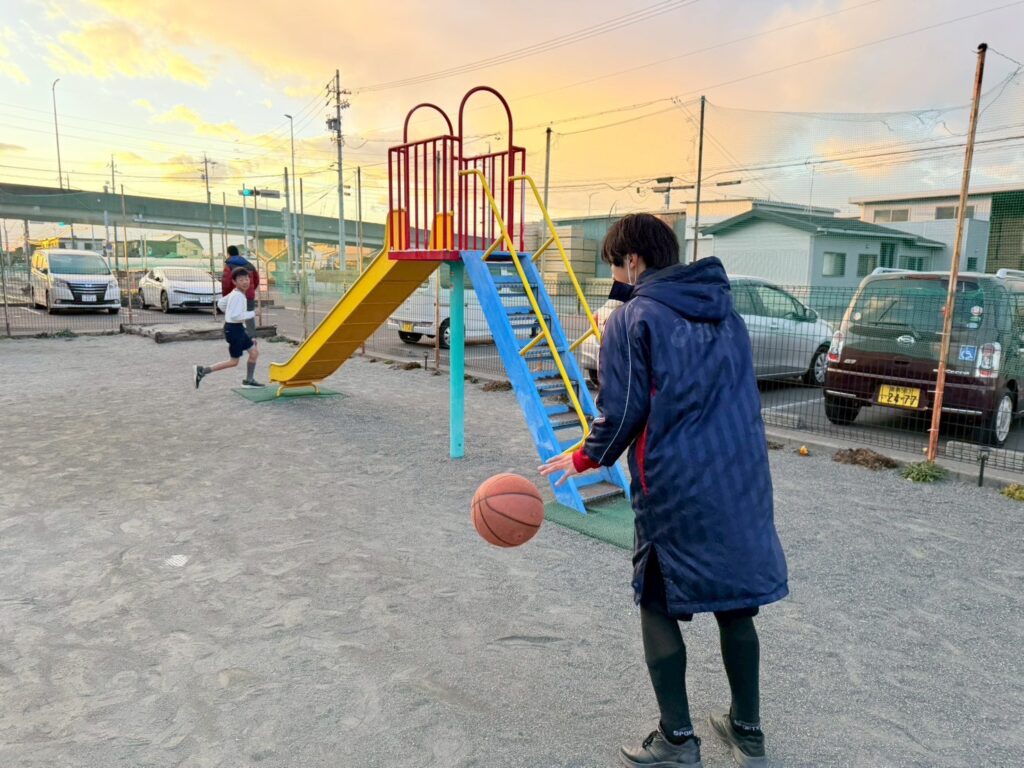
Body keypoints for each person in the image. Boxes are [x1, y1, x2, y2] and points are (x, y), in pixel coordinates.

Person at [540, 214, 788, 768]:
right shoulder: (727, 314)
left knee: (656, 600)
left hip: (676, 484)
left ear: (633, 261)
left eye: (615, 265)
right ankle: (748, 732)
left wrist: (584, 457)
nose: (615, 277)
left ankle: (677, 738)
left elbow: (623, 409)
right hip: (741, 476)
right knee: (736, 604)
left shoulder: (633, 317)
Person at [194, 267, 264, 389]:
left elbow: (221, 303)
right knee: (233, 362)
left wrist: (230, 313)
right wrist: (253, 313)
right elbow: (236, 316)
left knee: (254, 352)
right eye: (241, 280)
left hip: (237, 328)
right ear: (234, 282)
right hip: (234, 330)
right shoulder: (238, 296)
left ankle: (249, 380)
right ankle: (202, 371)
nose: (245, 282)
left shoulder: (236, 293)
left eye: (246, 279)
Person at [222, 245, 260, 334]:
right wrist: (250, 291)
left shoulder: (228, 265)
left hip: (235, 295)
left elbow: (226, 283)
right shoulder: (250, 265)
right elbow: (256, 280)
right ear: (238, 253)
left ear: (228, 254)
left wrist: (226, 296)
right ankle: (251, 337)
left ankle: (238, 337)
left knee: (234, 317)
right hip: (249, 296)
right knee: (249, 317)